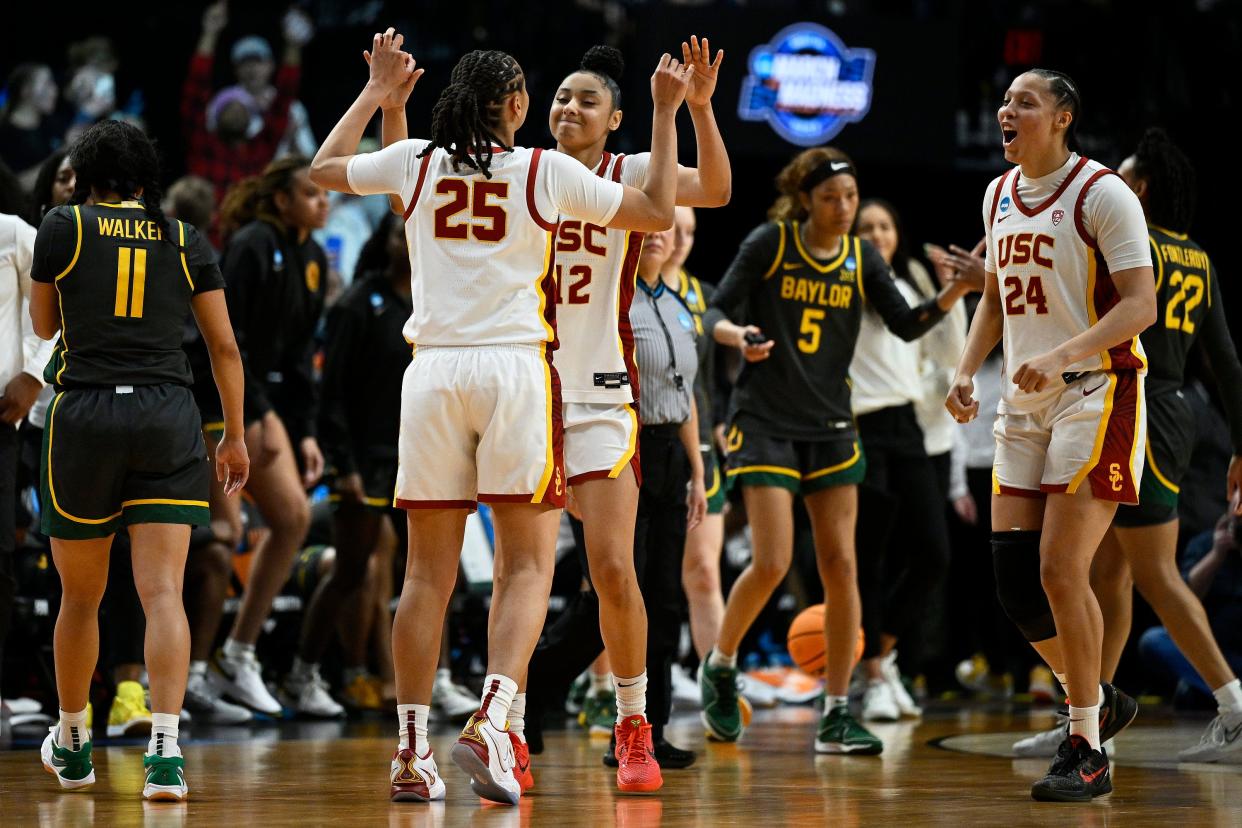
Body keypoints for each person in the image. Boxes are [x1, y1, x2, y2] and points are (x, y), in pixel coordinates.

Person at [308, 29, 689, 804]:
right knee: (525, 566)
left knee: (423, 575)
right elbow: (654, 209)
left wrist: (379, 94)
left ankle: (412, 755)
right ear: (517, 105)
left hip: (434, 374)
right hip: (517, 369)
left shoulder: (415, 162)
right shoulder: (542, 170)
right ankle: (493, 714)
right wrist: (667, 112)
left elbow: (320, 168)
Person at [699, 146, 976, 755]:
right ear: (806, 200)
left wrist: (955, 292)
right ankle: (720, 662)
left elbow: (906, 324)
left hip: (830, 423)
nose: (845, 208)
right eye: (832, 198)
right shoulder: (771, 243)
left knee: (843, 566)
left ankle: (836, 711)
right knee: (772, 561)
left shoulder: (859, 258)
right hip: (766, 418)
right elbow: (715, 308)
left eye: (851, 197)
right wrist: (736, 335)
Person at [511, 39, 726, 779]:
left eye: (587, 100)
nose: (569, 108)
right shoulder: (524, 170)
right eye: (562, 97)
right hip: (527, 390)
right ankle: (508, 721)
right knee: (525, 575)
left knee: (613, 568)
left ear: (616, 119)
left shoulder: (629, 172)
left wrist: (693, 108)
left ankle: (633, 723)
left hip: (601, 391)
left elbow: (719, 189)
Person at [946, 69, 1156, 802]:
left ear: (1063, 118)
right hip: (1024, 400)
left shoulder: (1103, 193)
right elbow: (999, 298)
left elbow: (1140, 306)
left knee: (1063, 569)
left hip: (1096, 393)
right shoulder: (998, 193)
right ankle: (1097, 694)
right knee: (1015, 583)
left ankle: (1086, 744)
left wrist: (1065, 354)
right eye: (1004, 100)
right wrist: (967, 370)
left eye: (1025, 102)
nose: (1008, 110)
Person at [27, 119, 249, 800]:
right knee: (162, 594)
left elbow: (43, 327)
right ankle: (165, 752)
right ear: (146, 177)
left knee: (80, 595)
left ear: (86, 175)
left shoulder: (63, 226)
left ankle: (72, 741)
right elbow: (224, 349)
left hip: (86, 413)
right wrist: (233, 436)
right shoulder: (184, 237)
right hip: (167, 415)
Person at [1083, 127, 1242, 763]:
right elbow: (1227, 362)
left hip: (1139, 409)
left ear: (1138, 189)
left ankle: (1232, 706)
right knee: (1107, 575)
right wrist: (1240, 446)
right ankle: (1090, 721)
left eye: (1118, 179)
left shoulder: (1132, 245)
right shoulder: (1199, 256)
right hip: (1175, 413)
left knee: (1152, 573)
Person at [194, 156, 330, 719]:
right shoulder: (251, 244)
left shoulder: (315, 258)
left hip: (267, 405)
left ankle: (235, 656)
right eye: (310, 193)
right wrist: (251, 414)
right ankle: (195, 671)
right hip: (216, 401)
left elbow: (300, 359)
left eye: (325, 195)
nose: (323, 201)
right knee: (219, 537)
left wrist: (304, 434)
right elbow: (230, 340)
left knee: (290, 520)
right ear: (281, 200)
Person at [850, 198, 958, 721]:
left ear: (896, 233)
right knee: (868, 560)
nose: (876, 233)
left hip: (909, 426)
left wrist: (951, 295)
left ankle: (882, 654)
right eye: (865, 226)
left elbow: (947, 357)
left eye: (884, 224)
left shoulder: (910, 289)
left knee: (933, 553)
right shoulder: (842, 284)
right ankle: (872, 675)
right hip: (857, 427)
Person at [182, 1, 303, 204]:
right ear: (215, 118)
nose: (237, 106)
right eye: (228, 105)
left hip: (244, 230)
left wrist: (293, 45)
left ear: (251, 121)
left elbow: (285, 97)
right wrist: (209, 33)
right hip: (203, 232)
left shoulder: (259, 152)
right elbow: (196, 88)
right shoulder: (203, 146)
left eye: (243, 108)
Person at [0, 63, 62, 186]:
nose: (55, 90)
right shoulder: (6, 133)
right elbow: (16, 186)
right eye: (47, 84)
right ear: (25, 91)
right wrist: (62, 155)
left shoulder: (50, 123)